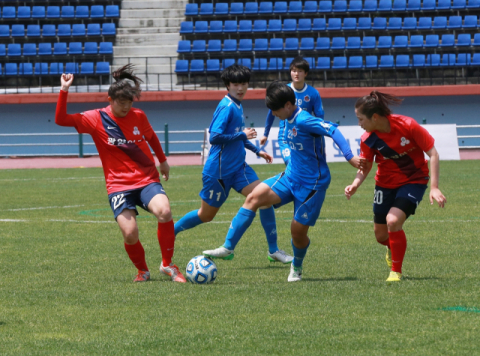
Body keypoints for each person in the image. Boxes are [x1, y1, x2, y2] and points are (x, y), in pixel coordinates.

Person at [204, 81, 363, 282]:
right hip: (290, 177)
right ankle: (228, 247)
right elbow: (287, 140)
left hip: (312, 185)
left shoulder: (304, 119)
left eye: (275, 110)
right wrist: (288, 155)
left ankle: (296, 266)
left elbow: (332, 129)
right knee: (254, 197)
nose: (274, 114)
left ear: (288, 105)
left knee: (297, 233)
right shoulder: (286, 118)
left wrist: (349, 156)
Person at [55, 65, 186, 283]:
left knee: (164, 211)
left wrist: (163, 161)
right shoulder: (95, 118)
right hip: (118, 186)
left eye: (129, 103)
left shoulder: (138, 115)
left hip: (146, 179)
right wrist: (64, 90)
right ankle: (143, 271)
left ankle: (168, 264)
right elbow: (61, 119)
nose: (126, 107)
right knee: (130, 233)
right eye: (121, 103)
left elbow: (151, 136)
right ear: (110, 99)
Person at [174, 65, 293, 264]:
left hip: (239, 168)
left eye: (244, 84)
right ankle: (172, 231)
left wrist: (257, 151)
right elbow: (215, 137)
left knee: (265, 199)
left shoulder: (237, 105)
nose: (240, 88)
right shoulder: (227, 106)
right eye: (236, 84)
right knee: (206, 215)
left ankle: (273, 250)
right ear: (227, 85)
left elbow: (237, 137)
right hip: (219, 172)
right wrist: (242, 134)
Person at [344, 91, 447, 282]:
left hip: (414, 180)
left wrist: (434, 187)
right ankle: (392, 246)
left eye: (360, 119)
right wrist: (355, 184)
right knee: (381, 235)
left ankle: (395, 271)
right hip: (384, 184)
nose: (359, 124)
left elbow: (433, 154)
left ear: (374, 117)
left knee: (393, 221)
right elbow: (365, 166)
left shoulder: (408, 125)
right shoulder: (368, 138)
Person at [259, 56, 324, 165]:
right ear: (290, 72)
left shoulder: (313, 93)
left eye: (300, 71)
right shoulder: (282, 92)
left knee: (305, 168)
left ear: (306, 73)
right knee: (292, 165)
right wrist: (266, 134)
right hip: (285, 135)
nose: (296, 74)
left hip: (304, 136)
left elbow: (320, 115)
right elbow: (271, 113)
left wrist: (317, 134)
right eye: (294, 71)